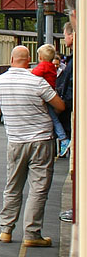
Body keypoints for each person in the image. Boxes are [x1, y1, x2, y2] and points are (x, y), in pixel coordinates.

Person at [0, 45, 65, 247]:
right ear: (30, 59)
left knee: (12, 186)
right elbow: (60, 105)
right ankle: (32, 234)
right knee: (38, 188)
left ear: (11, 59)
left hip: (15, 141)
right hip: (41, 140)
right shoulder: (37, 82)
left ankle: (6, 230)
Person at [31, 43, 70, 157]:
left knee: (52, 118)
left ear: (41, 57)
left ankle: (63, 139)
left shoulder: (43, 66)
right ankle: (61, 138)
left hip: (46, 96)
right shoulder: (51, 67)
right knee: (52, 118)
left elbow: (34, 74)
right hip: (51, 94)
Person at [56, 26, 73, 158]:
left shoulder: (73, 61)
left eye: (65, 35)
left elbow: (71, 86)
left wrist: (63, 103)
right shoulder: (72, 60)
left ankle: (63, 140)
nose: (64, 38)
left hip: (68, 108)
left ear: (72, 36)